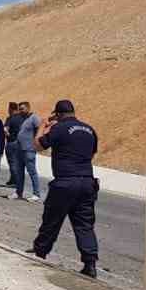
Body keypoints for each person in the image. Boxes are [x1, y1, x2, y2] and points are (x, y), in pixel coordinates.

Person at [30, 99, 99, 277]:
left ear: (59, 114)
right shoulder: (90, 130)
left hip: (65, 182)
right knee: (84, 224)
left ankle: (40, 252)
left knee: (51, 220)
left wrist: (43, 127)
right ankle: (90, 263)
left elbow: (37, 145)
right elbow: (91, 153)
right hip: (86, 181)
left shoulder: (58, 128)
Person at [14, 99, 42, 201]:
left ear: (28, 108)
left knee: (32, 172)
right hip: (19, 149)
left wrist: (36, 140)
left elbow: (40, 127)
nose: (20, 111)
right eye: (19, 109)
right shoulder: (22, 119)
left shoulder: (34, 118)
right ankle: (18, 192)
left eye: (22, 108)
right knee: (19, 172)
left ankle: (36, 194)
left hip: (29, 149)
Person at [3, 102, 26, 195]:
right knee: (19, 163)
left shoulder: (10, 118)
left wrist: (7, 135)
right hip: (21, 143)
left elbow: (5, 130)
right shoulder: (23, 118)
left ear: (11, 109)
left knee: (12, 162)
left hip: (12, 142)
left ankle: (15, 181)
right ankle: (13, 180)